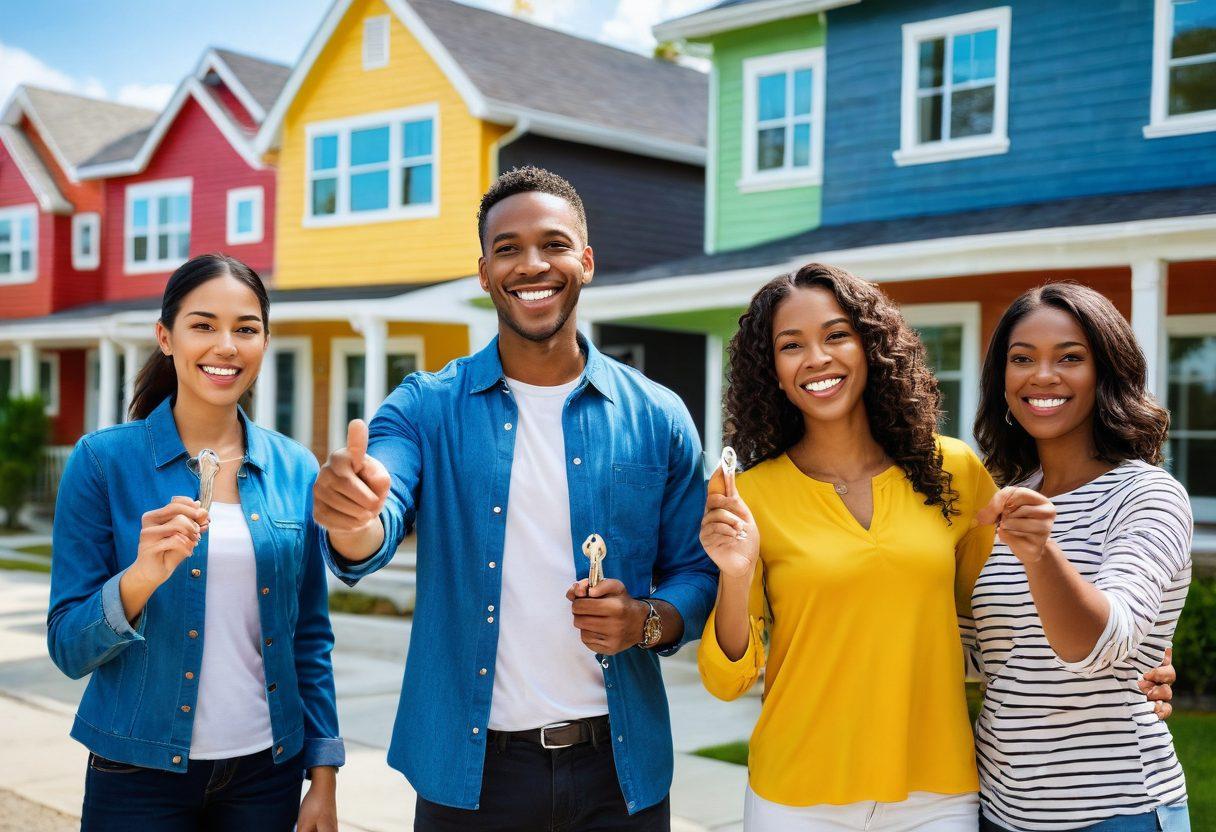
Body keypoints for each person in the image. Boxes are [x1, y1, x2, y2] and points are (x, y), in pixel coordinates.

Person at [311, 166, 718, 831]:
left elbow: (697, 572)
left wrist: (647, 619)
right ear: (483, 272)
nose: (532, 264)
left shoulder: (658, 415)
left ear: (585, 262)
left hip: (620, 776)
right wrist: (355, 514)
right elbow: (378, 513)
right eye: (507, 248)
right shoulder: (424, 407)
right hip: (471, 782)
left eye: (553, 244)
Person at [47, 254, 343, 832]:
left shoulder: (295, 468)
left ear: (264, 341)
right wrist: (140, 578)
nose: (226, 345)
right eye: (203, 325)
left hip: (267, 772)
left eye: (246, 328)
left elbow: (309, 634)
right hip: (135, 773)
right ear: (166, 337)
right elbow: (67, 646)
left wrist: (323, 777)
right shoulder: (103, 463)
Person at [697, 263, 995, 830]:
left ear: (871, 348)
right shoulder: (751, 495)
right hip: (797, 794)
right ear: (774, 372)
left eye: (836, 335)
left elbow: (1003, 615)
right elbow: (726, 679)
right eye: (792, 345)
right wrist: (735, 574)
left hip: (937, 790)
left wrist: (1139, 655)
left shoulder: (952, 469)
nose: (817, 358)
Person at [970, 283, 1192, 832]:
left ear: (1106, 373)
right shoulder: (1003, 497)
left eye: (1070, 357)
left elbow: (1098, 645)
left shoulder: (1148, 496)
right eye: (1022, 359)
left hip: (1115, 810)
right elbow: (976, 657)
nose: (1042, 376)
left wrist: (1041, 554)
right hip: (999, 807)